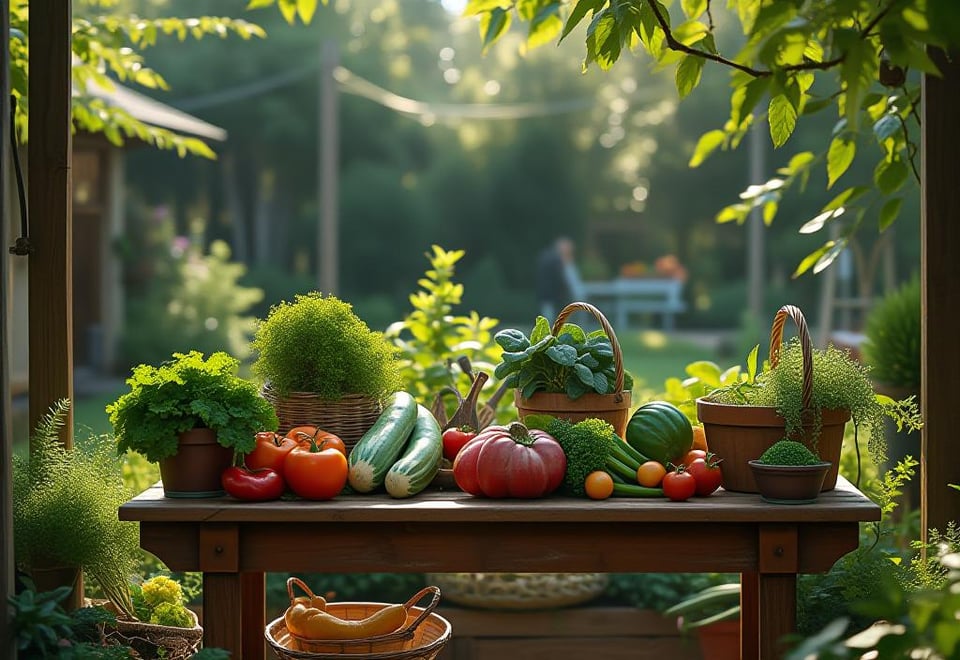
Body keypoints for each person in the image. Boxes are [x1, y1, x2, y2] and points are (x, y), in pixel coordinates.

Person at [536, 236, 583, 320]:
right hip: (551, 296)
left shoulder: (559, 260)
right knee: (549, 320)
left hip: (556, 297)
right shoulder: (554, 260)